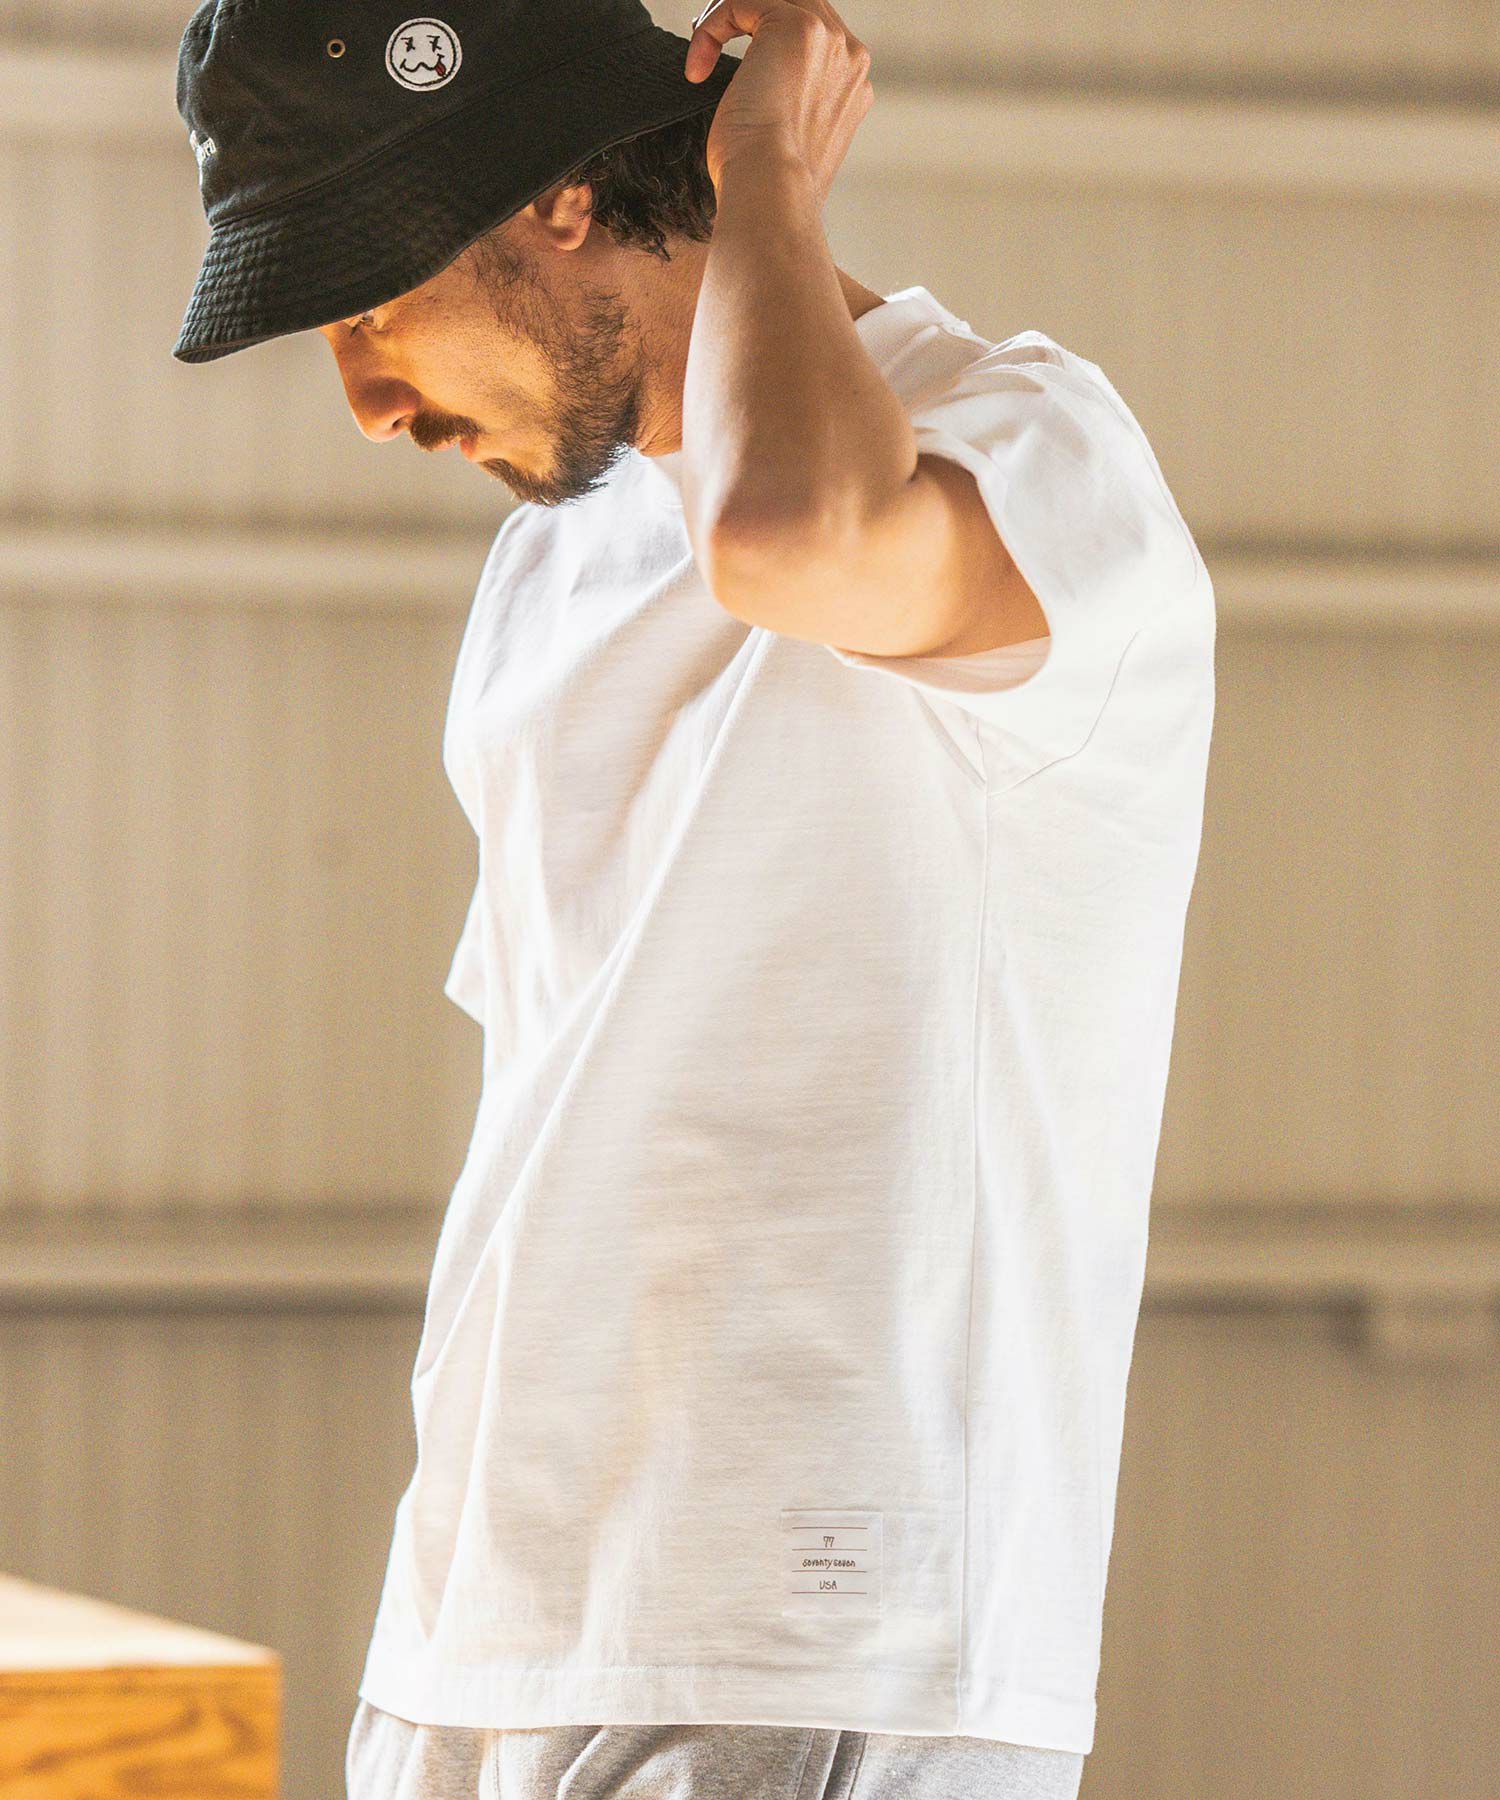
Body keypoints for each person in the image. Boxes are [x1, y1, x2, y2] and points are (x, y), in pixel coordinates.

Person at [171, 2, 1216, 1796]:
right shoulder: (550, 568)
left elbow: (793, 540)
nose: (369, 403)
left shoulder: (1029, 448)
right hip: (480, 1633)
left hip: (814, 1637)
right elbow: (564, 1114)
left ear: (559, 195)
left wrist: (762, 177)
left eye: (367, 303)